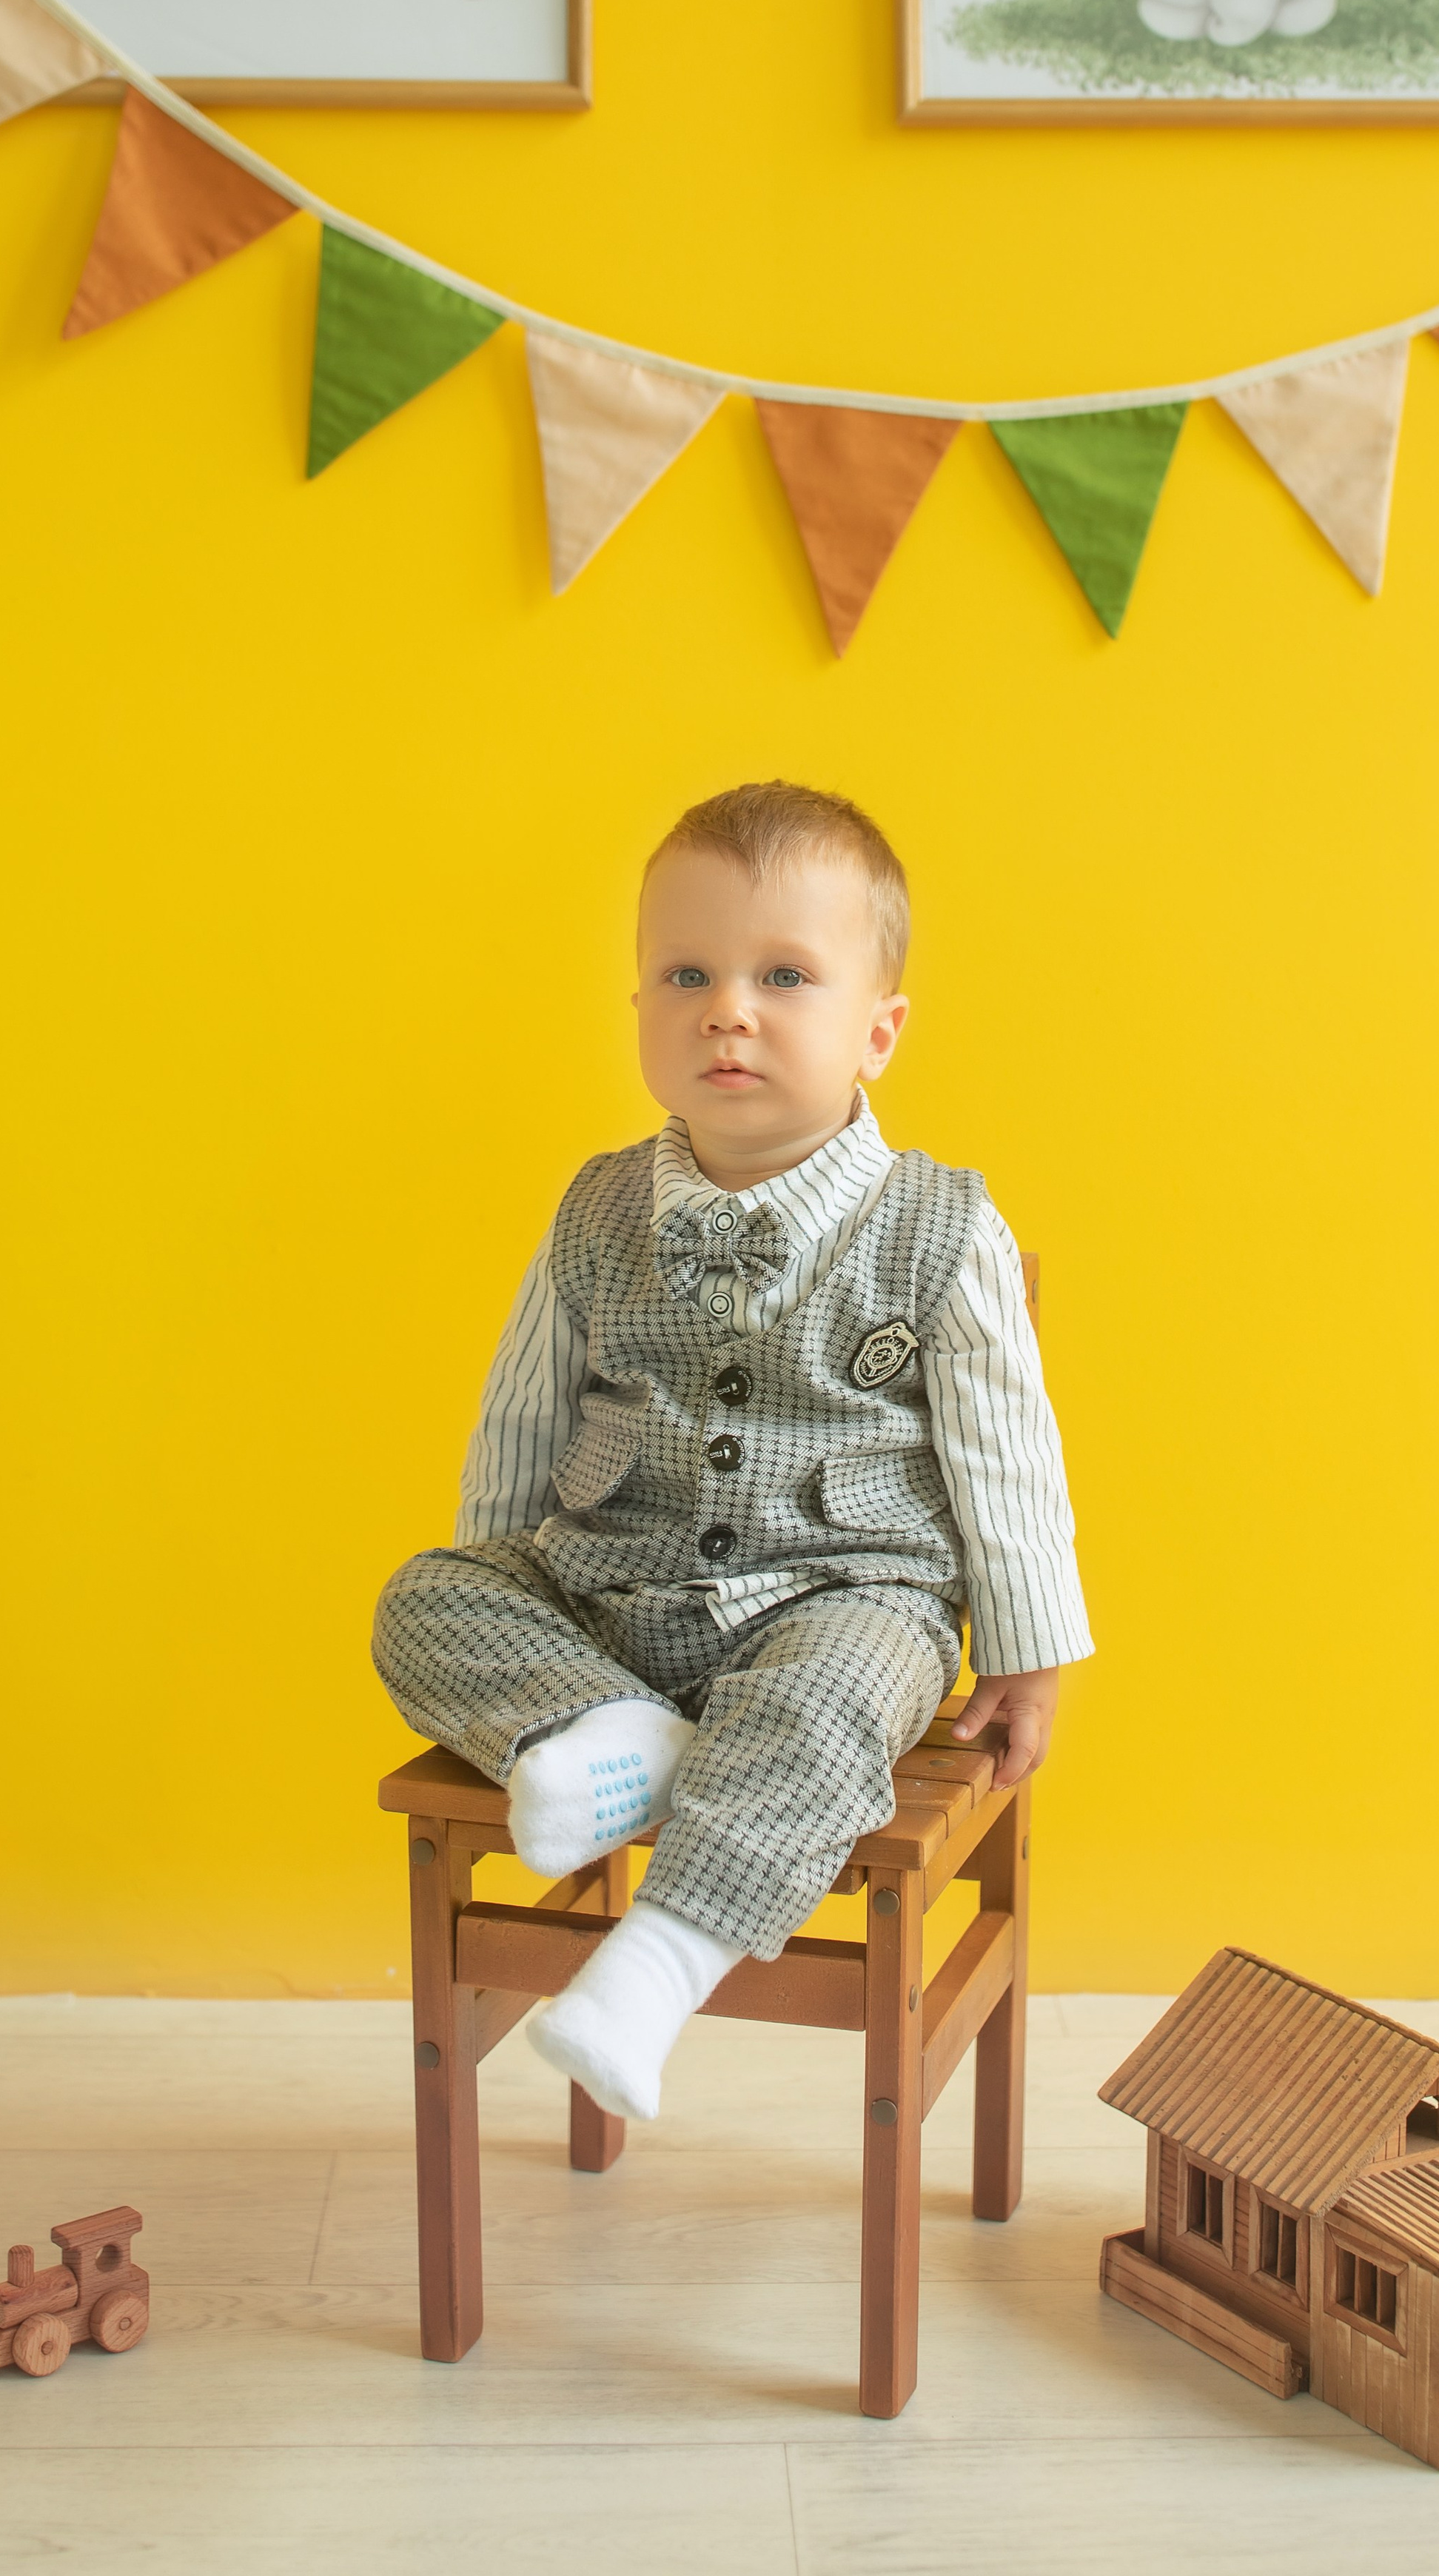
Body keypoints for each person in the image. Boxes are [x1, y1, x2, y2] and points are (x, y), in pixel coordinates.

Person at [373, 781, 1093, 2119]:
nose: (728, 1008)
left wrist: (1028, 1654)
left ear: (878, 1030)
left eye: (785, 976)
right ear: (638, 1008)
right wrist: (504, 1579)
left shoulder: (942, 1227)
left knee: (831, 1705)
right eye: (687, 972)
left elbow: (1008, 1457)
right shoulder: (597, 1208)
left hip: (841, 1604)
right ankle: (609, 1731)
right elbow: (522, 1415)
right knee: (420, 1597)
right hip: (610, 1604)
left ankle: (654, 1968)